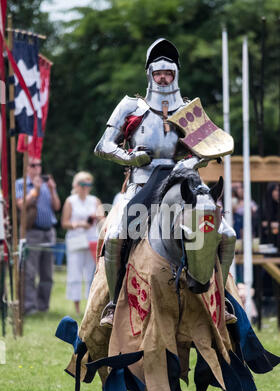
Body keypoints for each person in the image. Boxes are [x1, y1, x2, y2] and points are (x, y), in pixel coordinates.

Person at [95, 38, 236, 327]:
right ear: (149, 73)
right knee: (116, 235)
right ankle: (112, 303)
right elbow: (103, 146)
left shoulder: (189, 109)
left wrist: (192, 162)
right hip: (141, 182)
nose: (163, 77)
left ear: (176, 75)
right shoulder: (130, 105)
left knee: (226, 235)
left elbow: (209, 150)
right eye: (158, 72)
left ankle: (223, 299)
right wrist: (131, 158)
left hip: (183, 182)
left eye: (168, 73)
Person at [15, 157, 61, 315]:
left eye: (39, 165)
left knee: (47, 273)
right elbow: (22, 205)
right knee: (29, 272)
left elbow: (56, 206)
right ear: (27, 168)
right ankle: (29, 306)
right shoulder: (21, 184)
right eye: (33, 165)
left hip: (49, 232)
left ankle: (43, 307)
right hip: (31, 232)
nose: (37, 168)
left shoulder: (47, 184)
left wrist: (53, 189)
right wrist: (35, 190)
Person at [61, 171, 105, 315]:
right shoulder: (70, 200)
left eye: (88, 184)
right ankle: (77, 308)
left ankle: (90, 306)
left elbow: (103, 220)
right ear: (76, 185)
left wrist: (97, 217)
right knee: (75, 272)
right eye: (83, 184)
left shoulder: (95, 200)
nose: (85, 187)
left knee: (91, 274)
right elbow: (65, 223)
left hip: (92, 239)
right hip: (76, 239)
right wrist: (80, 224)